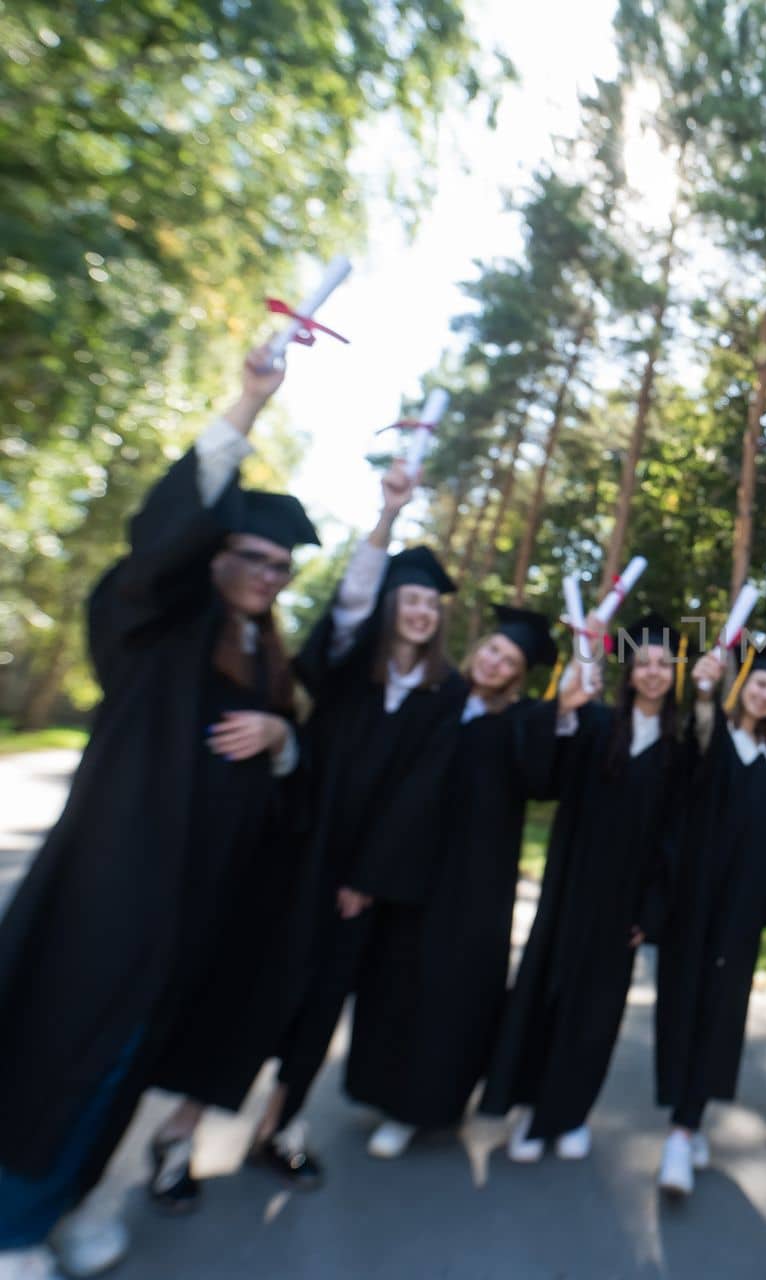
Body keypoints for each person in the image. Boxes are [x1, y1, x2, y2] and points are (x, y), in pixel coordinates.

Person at [0, 347, 316, 1278]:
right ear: (212, 556)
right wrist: (247, 406)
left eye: (281, 567)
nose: (266, 574)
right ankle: (11, 1223)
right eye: (251, 557)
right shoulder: (153, 628)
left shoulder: (268, 659)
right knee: (63, 1052)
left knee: (124, 1068)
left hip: (189, 912)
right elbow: (155, 553)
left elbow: (289, 768)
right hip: (112, 894)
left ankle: (69, 1205)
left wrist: (282, 738)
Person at [241, 467, 467, 1188]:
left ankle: (278, 1126)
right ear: (391, 604)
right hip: (292, 849)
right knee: (255, 986)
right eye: (411, 598)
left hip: (357, 881)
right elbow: (348, 606)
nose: (422, 611)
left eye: (432, 602)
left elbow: (422, 795)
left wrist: (369, 879)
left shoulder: (446, 693)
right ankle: (184, 1128)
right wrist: (387, 519)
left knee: (322, 1003)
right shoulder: (347, 667)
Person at [345, 606, 562, 1158]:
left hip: (472, 888)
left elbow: (542, 779)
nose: (495, 663)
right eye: (492, 650)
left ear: (519, 675)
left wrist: (565, 709)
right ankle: (378, 1089)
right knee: (392, 982)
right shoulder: (437, 698)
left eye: (509, 661)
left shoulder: (521, 722)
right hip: (408, 873)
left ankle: (415, 1111)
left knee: (448, 996)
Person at [481, 613, 685, 1164]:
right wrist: (563, 709)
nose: (652, 673)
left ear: (674, 674)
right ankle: (527, 1109)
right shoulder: (593, 724)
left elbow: (675, 838)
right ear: (628, 671)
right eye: (643, 662)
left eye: (663, 664)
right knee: (546, 994)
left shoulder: (680, 744)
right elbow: (542, 778)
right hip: (571, 888)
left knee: (597, 1015)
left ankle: (570, 1115)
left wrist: (653, 910)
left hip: (624, 907)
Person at [653, 643, 766, 1198]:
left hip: (740, 914)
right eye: (760, 684)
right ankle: (682, 1125)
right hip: (693, 904)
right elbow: (697, 735)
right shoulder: (714, 739)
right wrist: (706, 689)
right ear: (744, 685)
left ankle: (685, 1129)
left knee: (720, 1013)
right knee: (684, 1003)